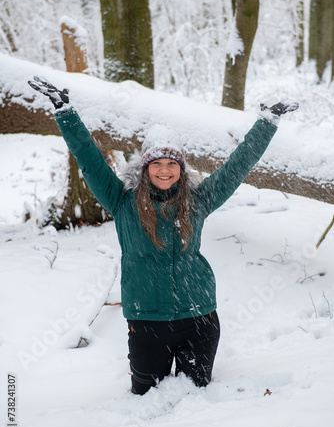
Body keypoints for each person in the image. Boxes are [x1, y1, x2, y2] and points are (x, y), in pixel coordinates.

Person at [28, 76, 298, 395]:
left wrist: (266, 122)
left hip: (199, 318)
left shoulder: (198, 200)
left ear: (181, 167)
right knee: (146, 400)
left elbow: (237, 167)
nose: (165, 170)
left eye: (172, 162)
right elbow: (89, 159)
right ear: (145, 167)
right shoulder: (121, 200)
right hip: (146, 322)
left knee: (193, 402)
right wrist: (65, 112)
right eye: (157, 163)